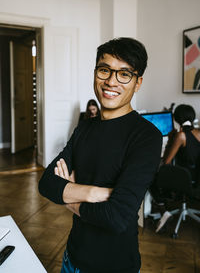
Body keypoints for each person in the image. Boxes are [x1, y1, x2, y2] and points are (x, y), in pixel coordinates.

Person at [38, 37, 162, 273]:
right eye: (105, 70)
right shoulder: (85, 127)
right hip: (71, 257)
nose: (111, 81)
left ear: (137, 83)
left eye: (124, 74)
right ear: (95, 73)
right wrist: (95, 193)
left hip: (112, 265)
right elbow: (46, 183)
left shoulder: (147, 136)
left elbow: (115, 216)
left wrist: (68, 196)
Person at [155, 104, 200, 233]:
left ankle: (163, 210)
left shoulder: (181, 136)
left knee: (153, 175)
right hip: (196, 177)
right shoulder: (198, 132)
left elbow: (167, 161)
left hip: (185, 179)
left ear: (177, 119)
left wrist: (170, 140)